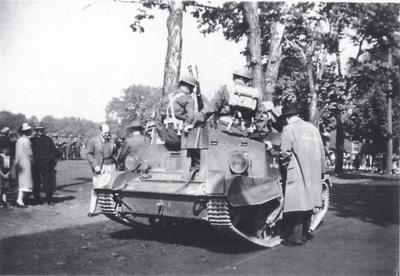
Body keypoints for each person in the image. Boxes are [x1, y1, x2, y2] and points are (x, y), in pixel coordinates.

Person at [279, 103, 325, 246]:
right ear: (297, 115)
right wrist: (322, 170)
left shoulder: (289, 129)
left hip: (297, 170)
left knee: (297, 204)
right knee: (309, 202)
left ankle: (295, 238)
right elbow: (322, 152)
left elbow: (285, 153)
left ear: (286, 118)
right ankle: (305, 234)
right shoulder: (313, 129)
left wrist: (285, 166)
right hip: (314, 171)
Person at [192, 68, 267, 139]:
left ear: (234, 78)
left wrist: (194, 124)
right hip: (242, 133)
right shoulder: (254, 94)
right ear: (248, 81)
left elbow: (209, 109)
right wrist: (263, 135)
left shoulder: (225, 90)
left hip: (223, 131)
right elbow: (260, 117)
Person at [155, 75, 198, 149]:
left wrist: (161, 132)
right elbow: (191, 117)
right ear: (191, 88)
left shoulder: (166, 98)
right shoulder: (188, 98)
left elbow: (157, 119)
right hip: (178, 135)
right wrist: (187, 126)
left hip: (164, 135)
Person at [86, 124, 117, 217]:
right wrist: (95, 165)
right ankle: (92, 210)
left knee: (113, 187)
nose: (107, 134)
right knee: (97, 187)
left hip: (111, 166)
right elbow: (89, 154)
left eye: (108, 132)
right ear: (100, 132)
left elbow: (115, 153)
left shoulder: (112, 140)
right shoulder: (94, 141)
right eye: (105, 132)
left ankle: (112, 207)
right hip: (100, 167)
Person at [31, 124, 58, 205]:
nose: (39, 131)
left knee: (48, 182)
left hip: (46, 164)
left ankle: (49, 199)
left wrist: (50, 160)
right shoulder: (32, 140)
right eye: (37, 130)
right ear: (35, 131)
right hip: (36, 164)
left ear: (43, 130)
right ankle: (36, 198)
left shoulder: (48, 139)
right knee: (36, 182)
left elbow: (54, 151)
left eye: (41, 130)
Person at [15, 123, 34, 208]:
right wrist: (33, 161)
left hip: (19, 163)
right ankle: (20, 200)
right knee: (25, 182)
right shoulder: (26, 141)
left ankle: (21, 199)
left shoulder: (19, 140)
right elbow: (30, 153)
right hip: (26, 163)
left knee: (22, 182)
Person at [0, 127, 12, 207]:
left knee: (5, 188)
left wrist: (7, 174)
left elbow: (10, 166)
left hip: (6, 173)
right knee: (1, 188)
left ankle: (4, 202)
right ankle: (2, 202)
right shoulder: (1, 156)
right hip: (2, 174)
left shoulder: (9, 157)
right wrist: (3, 174)